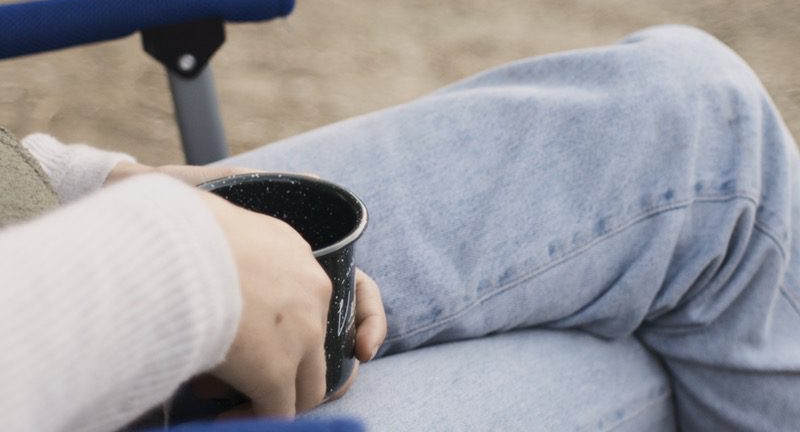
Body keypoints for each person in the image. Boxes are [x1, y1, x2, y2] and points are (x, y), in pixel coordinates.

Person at [0, 25, 798, 431]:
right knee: (644, 361)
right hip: (70, 329)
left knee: (698, 118)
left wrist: (90, 181)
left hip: (58, 250)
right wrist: (171, 270)